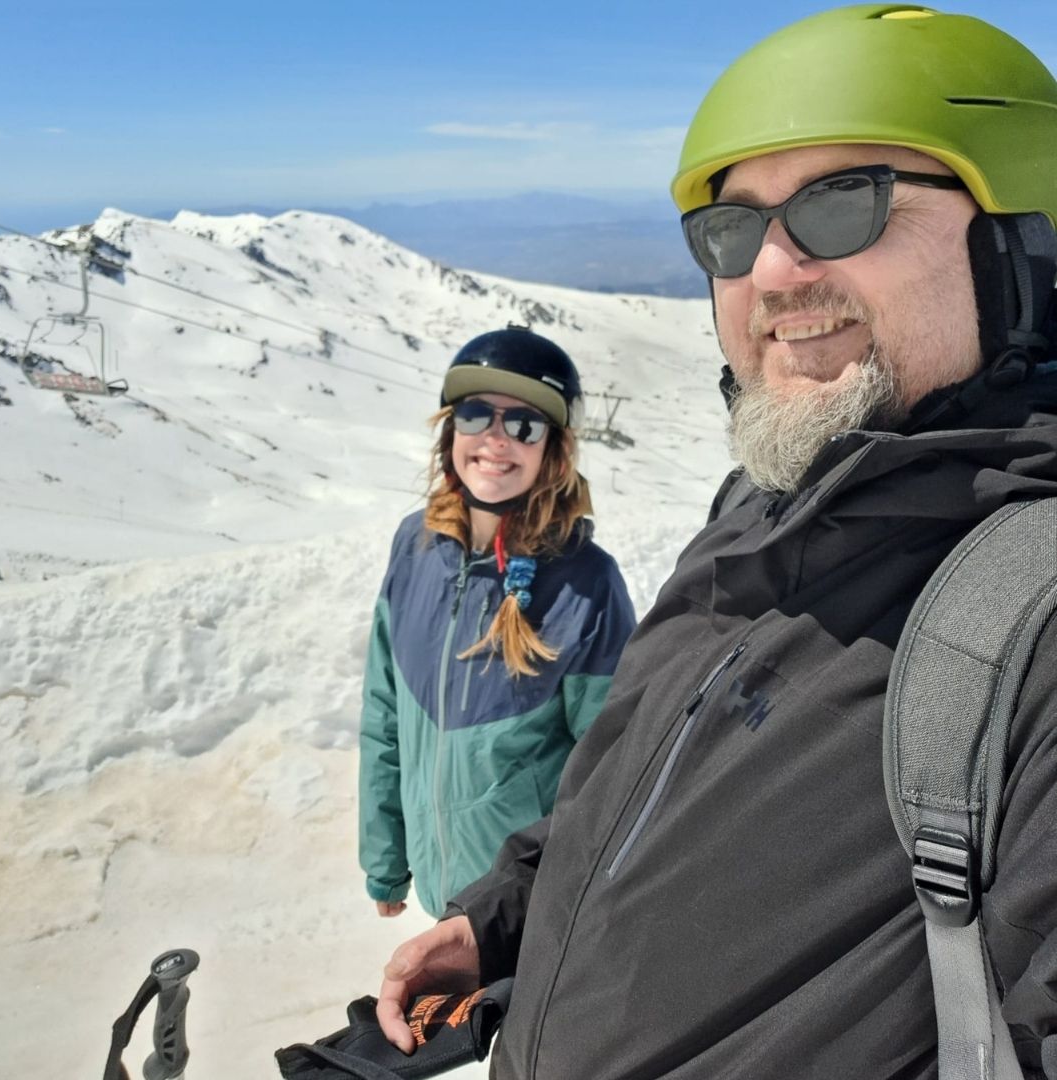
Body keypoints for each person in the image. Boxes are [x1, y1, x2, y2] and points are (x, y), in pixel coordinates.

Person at [372, 7, 1057, 1078]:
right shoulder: (758, 507)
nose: (774, 276)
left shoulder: (1037, 610)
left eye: (847, 201)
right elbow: (640, 780)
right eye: (733, 230)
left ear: (1023, 240)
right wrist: (503, 921)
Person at [358, 324, 636, 921]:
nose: (496, 439)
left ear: (552, 449)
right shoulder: (415, 546)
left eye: (524, 425)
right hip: (444, 896)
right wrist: (385, 859)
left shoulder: (586, 585)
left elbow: (610, 772)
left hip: (531, 911)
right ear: (450, 431)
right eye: (476, 414)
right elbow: (384, 717)